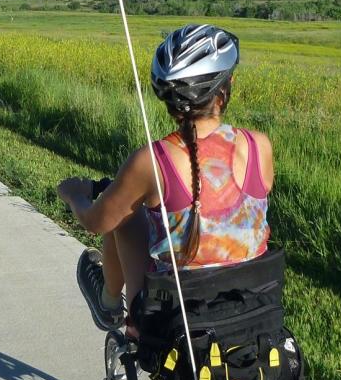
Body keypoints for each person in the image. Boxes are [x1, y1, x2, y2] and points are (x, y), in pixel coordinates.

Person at [56, 23, 274, 333]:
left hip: (173, 319)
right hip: (251, 308)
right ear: (224, 91)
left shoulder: (152, 161)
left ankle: (109, 304)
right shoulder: (258, 146)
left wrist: (74, 194)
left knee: (123, 216)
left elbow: (96, 222)